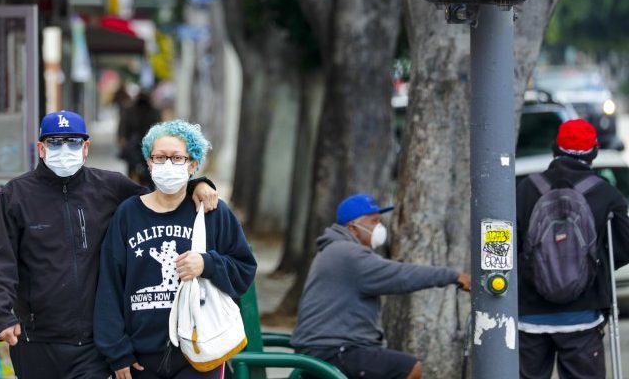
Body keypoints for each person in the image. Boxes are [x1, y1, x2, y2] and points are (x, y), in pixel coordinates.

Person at [0, 111, 219, 379]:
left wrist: (196, 186)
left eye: (73, 142)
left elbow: (161, 200)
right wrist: (3, 314)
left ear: (86, 148)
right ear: (41, 148)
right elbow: (3, 261)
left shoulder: (110, 187)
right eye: (55, 143)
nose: (64, 150)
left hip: (91, 345)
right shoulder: (16, 195)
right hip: (34, 340)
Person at [94, 120, 257, 379]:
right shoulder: (128, 214)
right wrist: (117, 351)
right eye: (159, 157)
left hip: (200, 352)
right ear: (148, 162)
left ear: (193, 164)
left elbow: (245, 270)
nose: (168, 164)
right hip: (141, 357)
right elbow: (109, 285)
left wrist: (207, 264)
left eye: (178, 157)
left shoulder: (212, 212)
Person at [290, 194, 471, 379]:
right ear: (353, 228)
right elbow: (402, 275)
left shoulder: (336, 250)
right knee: (408, 368)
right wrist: (453, 276)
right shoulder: (348, 254)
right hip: (331, 351)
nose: (379, 228)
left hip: (330, 348)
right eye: (373, 222)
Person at [516, 119, 629, 379]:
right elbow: (625, 245)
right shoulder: (606, 194)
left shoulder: (524, 190)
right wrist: (595, 266)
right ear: (594, 152)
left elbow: (504, 243)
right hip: (583, 315)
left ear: (555, 149)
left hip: (529, 316)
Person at [118, 90, 162, 187]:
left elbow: (123, 126)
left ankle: (143, 187)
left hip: (145, 144)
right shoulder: (131, 109)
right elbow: (123, 126)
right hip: (137, 144)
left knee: (146, 169)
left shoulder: (153, 110)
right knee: (135, 167)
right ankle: (135, 187)